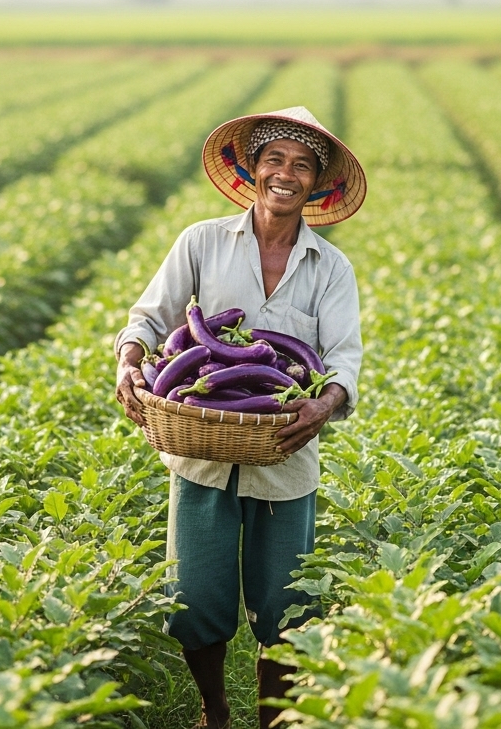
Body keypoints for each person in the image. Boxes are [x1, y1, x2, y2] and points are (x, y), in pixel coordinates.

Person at [114, 106, 366, 729]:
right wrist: (129, 359)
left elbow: (341, 360)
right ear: (252, 169)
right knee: (194, 596)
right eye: (275, 160)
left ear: (316, 183)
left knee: (287, 604)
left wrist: (325, 402)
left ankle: (272, 719)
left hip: (286, 454)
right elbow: (149, 318)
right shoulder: (200, 241)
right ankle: (214, 710)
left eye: (302, 165)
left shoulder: (330, 268)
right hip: (199, 455)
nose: (286, 173)